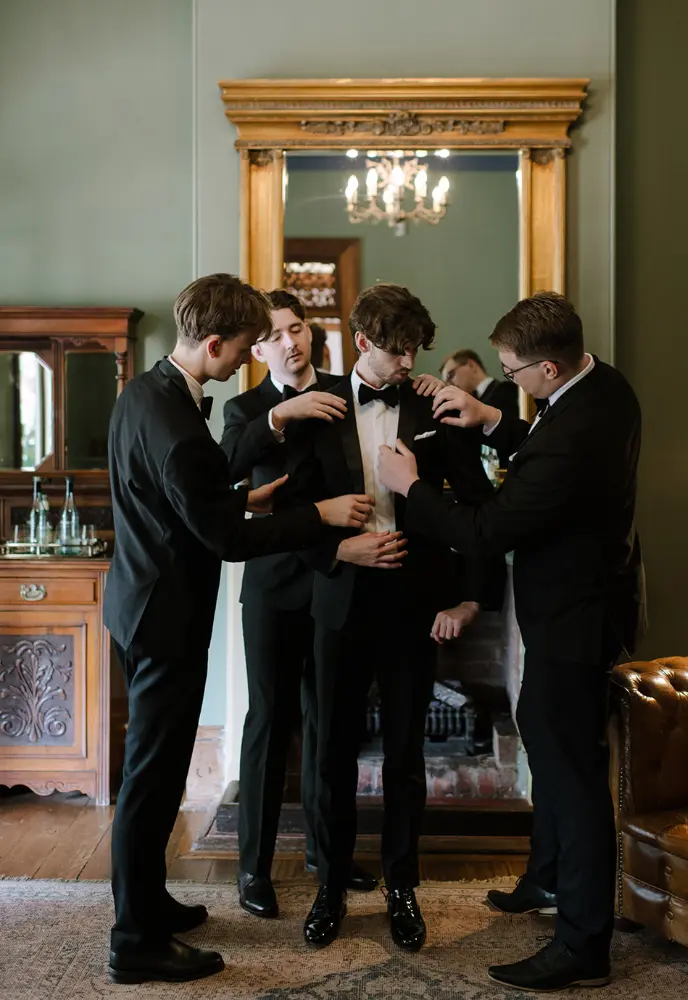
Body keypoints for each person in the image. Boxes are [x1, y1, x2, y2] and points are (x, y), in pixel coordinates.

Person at [104, 274, 373, 985]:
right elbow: (224, 540)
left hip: (138, 603)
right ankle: (135, 939)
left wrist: (235, 497)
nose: (251, 360)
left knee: (152, 773)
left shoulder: (144, 391)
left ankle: (149, 902)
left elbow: (178, 501)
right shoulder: (179, 422)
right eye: (247, 348)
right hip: (165, 618)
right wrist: (319, 516)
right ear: (214, 342)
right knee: (152, 779)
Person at [378, 291, 645, 993]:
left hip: (572, 619)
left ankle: (582, 945)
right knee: (552, 744)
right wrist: (494, 417)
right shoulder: (607, 386)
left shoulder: (568, 438)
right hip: (589, 604)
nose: (509, 382)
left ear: (551, 368)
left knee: (571, 774)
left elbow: (487, 531)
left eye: (514, 373)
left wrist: (409, 486)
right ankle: (548, 879)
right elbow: (540, 439)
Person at [300, 284, 501, 952]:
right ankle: (329, 885)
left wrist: (467, 597)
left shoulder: (432, 405)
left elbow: (474, 503)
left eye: (415, 346)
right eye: (396, 348)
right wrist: (336, 547)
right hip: (339, 598)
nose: (409, 358)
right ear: (362, 343)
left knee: (405, 755)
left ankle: (401, 887)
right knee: (329, 752)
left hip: (415, 600)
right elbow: (285, 512)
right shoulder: (317, 408)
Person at [219, 290, 380, 921]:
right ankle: (253, 868)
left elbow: (358, 486)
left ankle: (326, 853)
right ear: (256, 349)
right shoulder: (244, 410)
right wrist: (283, 418)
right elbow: (228, 472)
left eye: (299, 328)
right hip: (272, 586)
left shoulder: (348, 393)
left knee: (330, 722)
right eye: (277, 335)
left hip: (341, 582)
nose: (292, 341)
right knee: (268, 721)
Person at [440, 348, 523, 468]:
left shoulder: (505, 390)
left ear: (471, 364)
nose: (450, 384)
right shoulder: (465, 406)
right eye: (446, 381)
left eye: (451, 375)